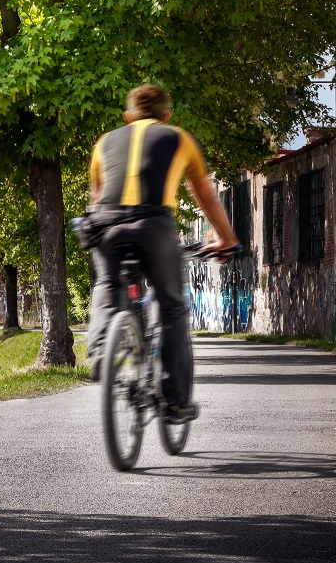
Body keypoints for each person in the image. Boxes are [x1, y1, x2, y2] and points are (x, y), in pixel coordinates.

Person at [87, 84, 239, 424]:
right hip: (153, 226)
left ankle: (101, 349)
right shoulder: (179, 138)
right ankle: (174, 402)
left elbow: (96, 199)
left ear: (128, 117)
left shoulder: (104, 142)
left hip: (105, 224)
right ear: (167, 116)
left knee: (108, 282)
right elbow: (207, 198)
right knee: (171, 308)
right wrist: (225, 239)